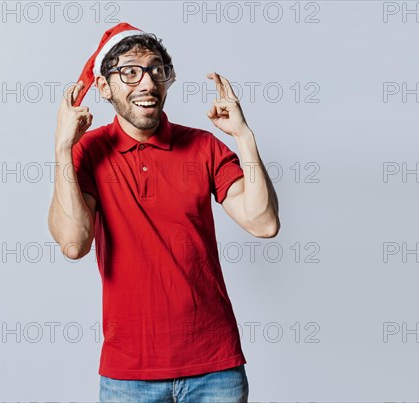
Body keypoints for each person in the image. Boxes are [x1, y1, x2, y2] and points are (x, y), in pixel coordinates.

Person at [47, 23, 280, 402]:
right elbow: (73, 243)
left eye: (157, 70)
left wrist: (244, 136)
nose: (146, 83)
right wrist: (61, 150)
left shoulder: (203, 147)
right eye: (129, 71)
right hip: (129, 376)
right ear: (104, 87)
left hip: (215, 368)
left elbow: (264, 222)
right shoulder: (88, 152)